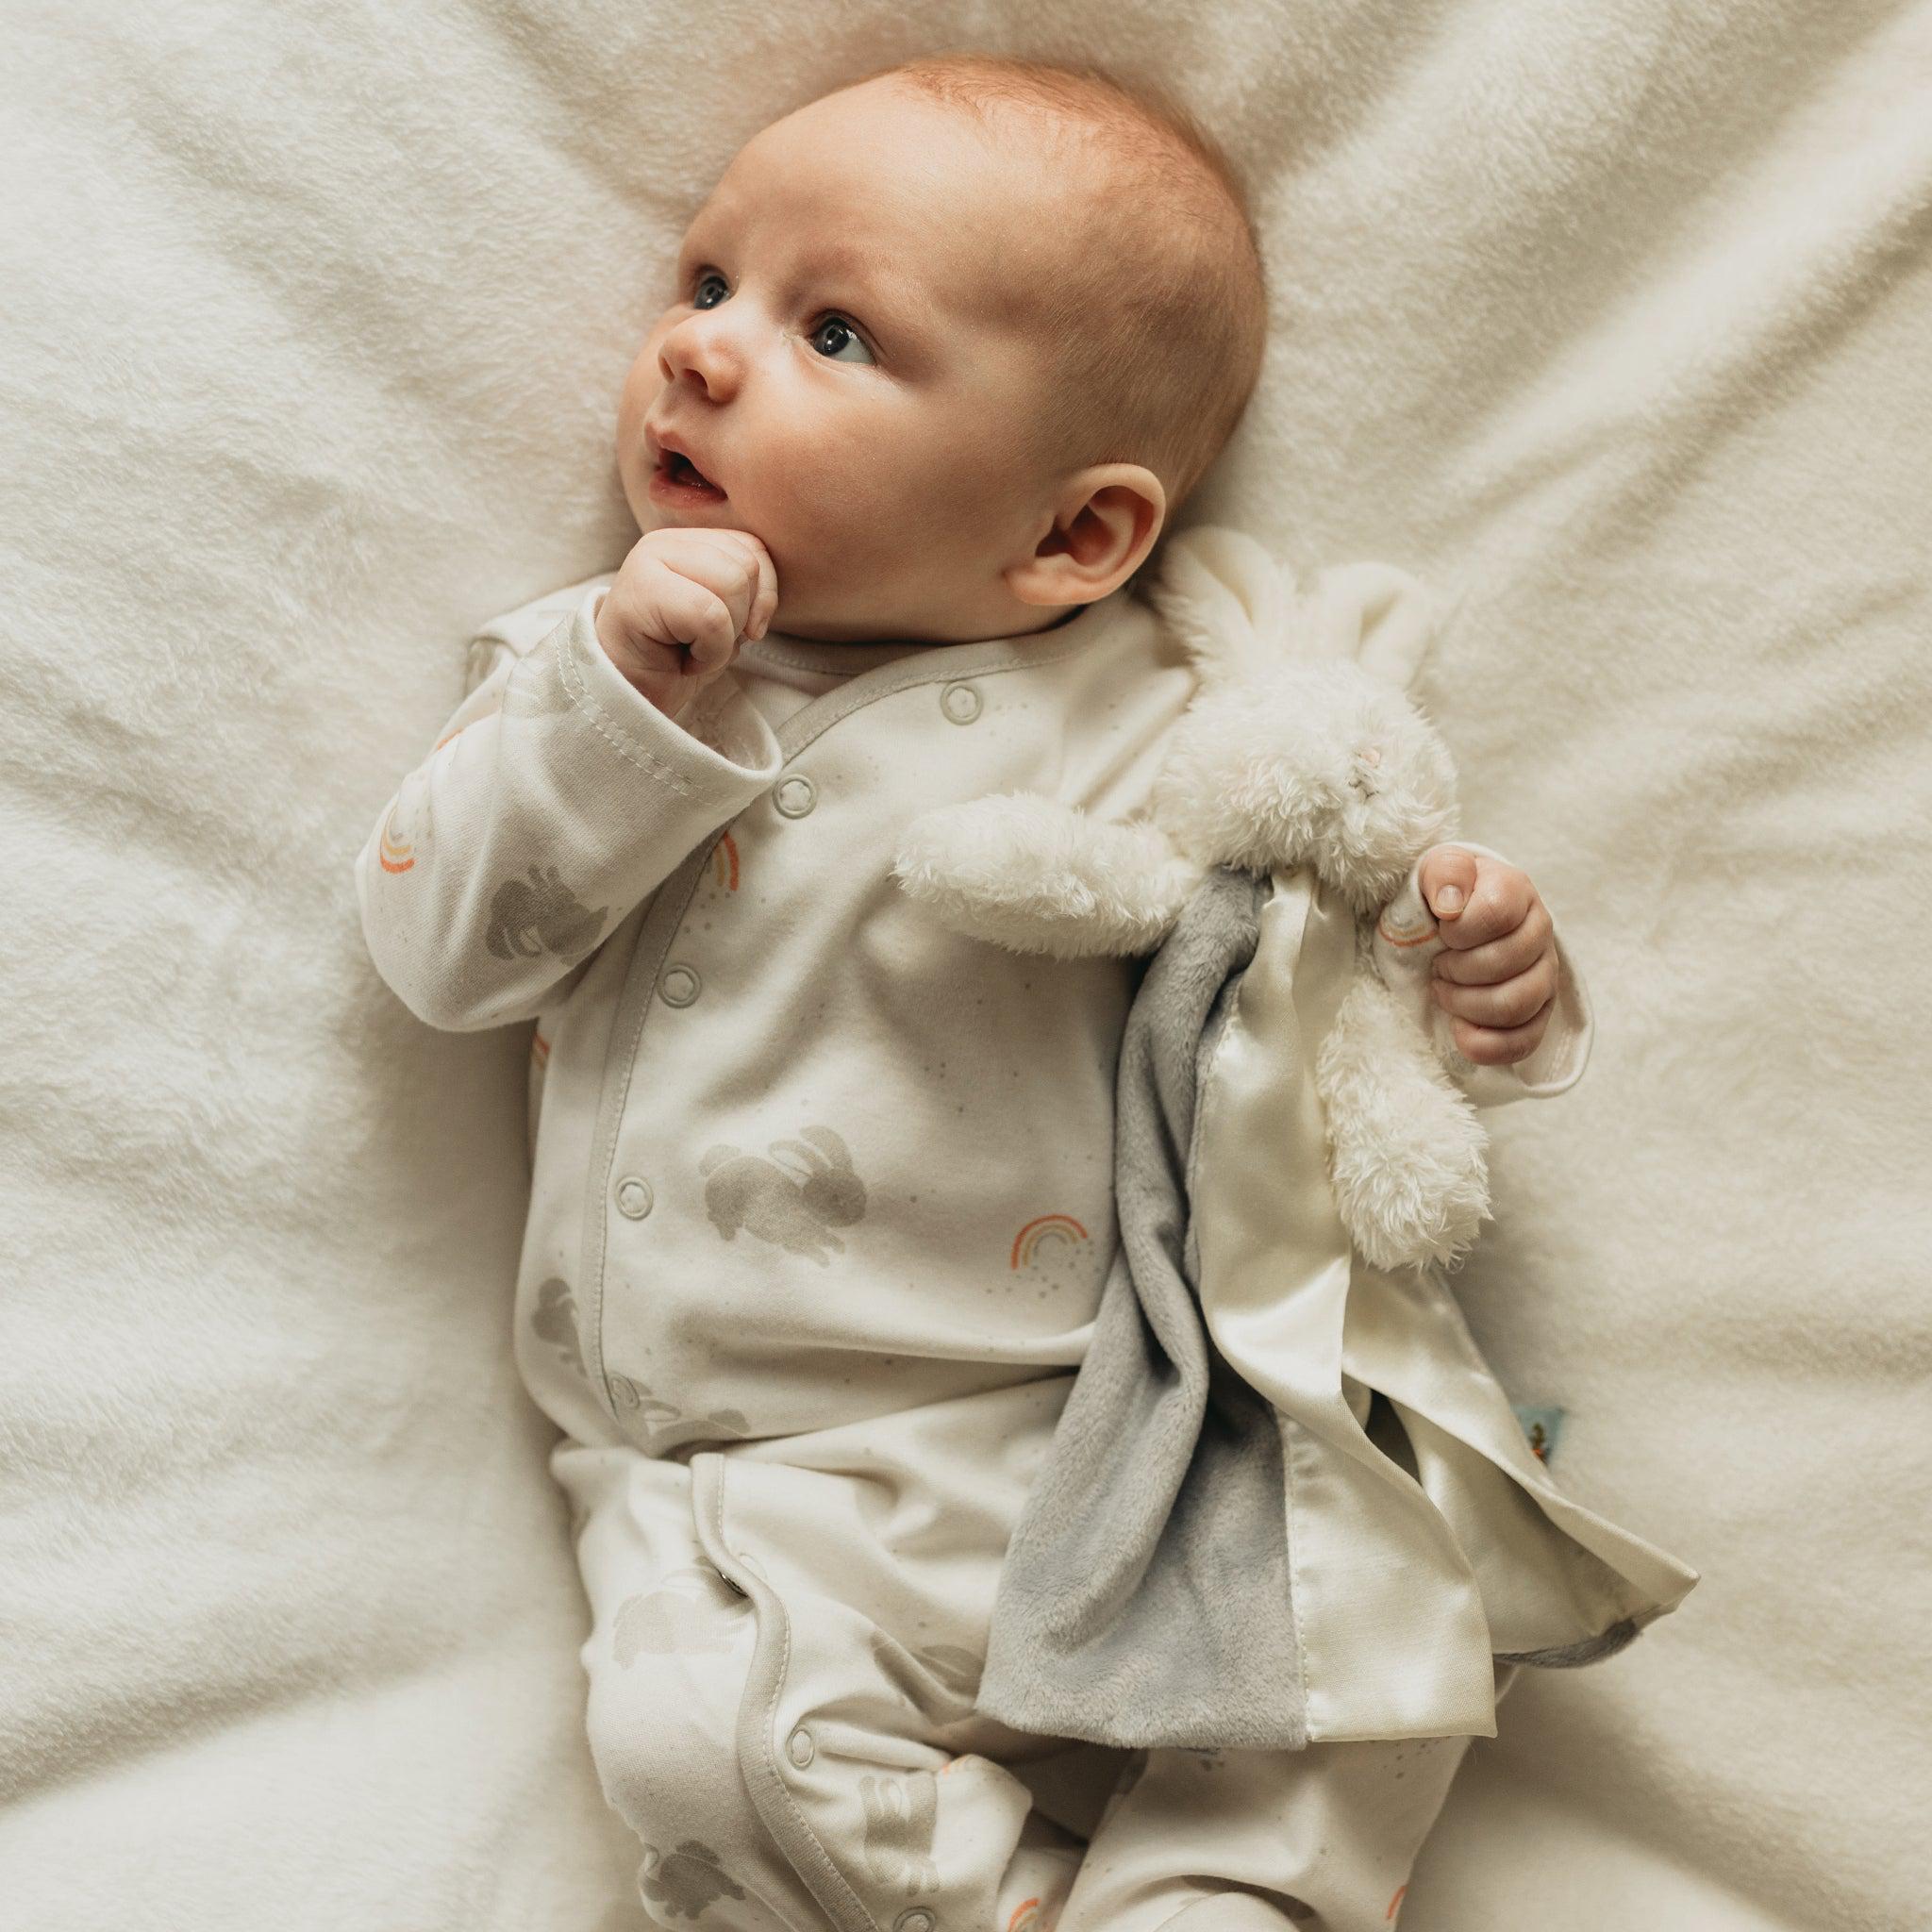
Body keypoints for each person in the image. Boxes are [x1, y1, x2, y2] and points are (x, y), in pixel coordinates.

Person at [357, 54, 1599, 1932]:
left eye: (831, 328)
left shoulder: (1163, 725)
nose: (699, 352)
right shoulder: (590, 675)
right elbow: (445, 952)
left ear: (1072, 539)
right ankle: (999, 1901)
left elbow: (1299, 1051)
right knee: (700, 1746)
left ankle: (1237, 1888)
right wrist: (623, 708)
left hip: (1129, 1411)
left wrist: (1472, 979)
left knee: (1369, 1609)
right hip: (766, 1477)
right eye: (704, 284)